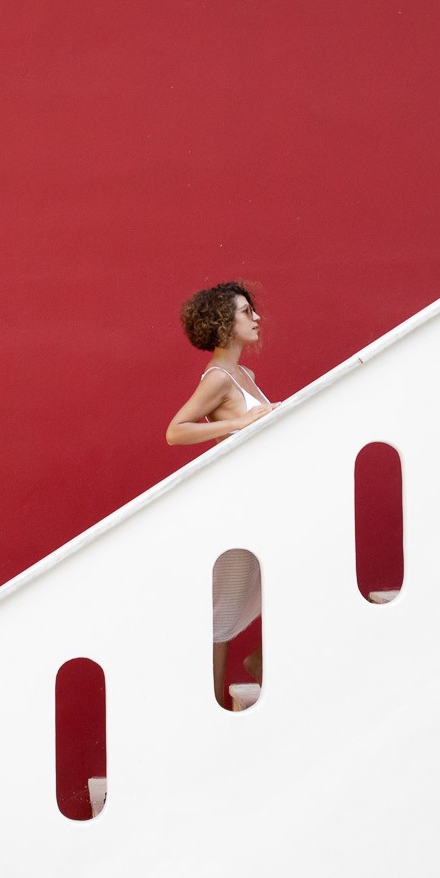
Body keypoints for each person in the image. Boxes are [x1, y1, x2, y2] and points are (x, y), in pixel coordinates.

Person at [164, 282, 275, 707]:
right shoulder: (218, 377)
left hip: (257, 500)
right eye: (246, 312)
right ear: (224, 324)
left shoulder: (244, 375)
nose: (256, 317)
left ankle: (262, 660)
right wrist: (238, 424)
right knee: (222, 613)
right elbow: (176, 431)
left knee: (275, 581)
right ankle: (209, 707)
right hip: (238, 505)